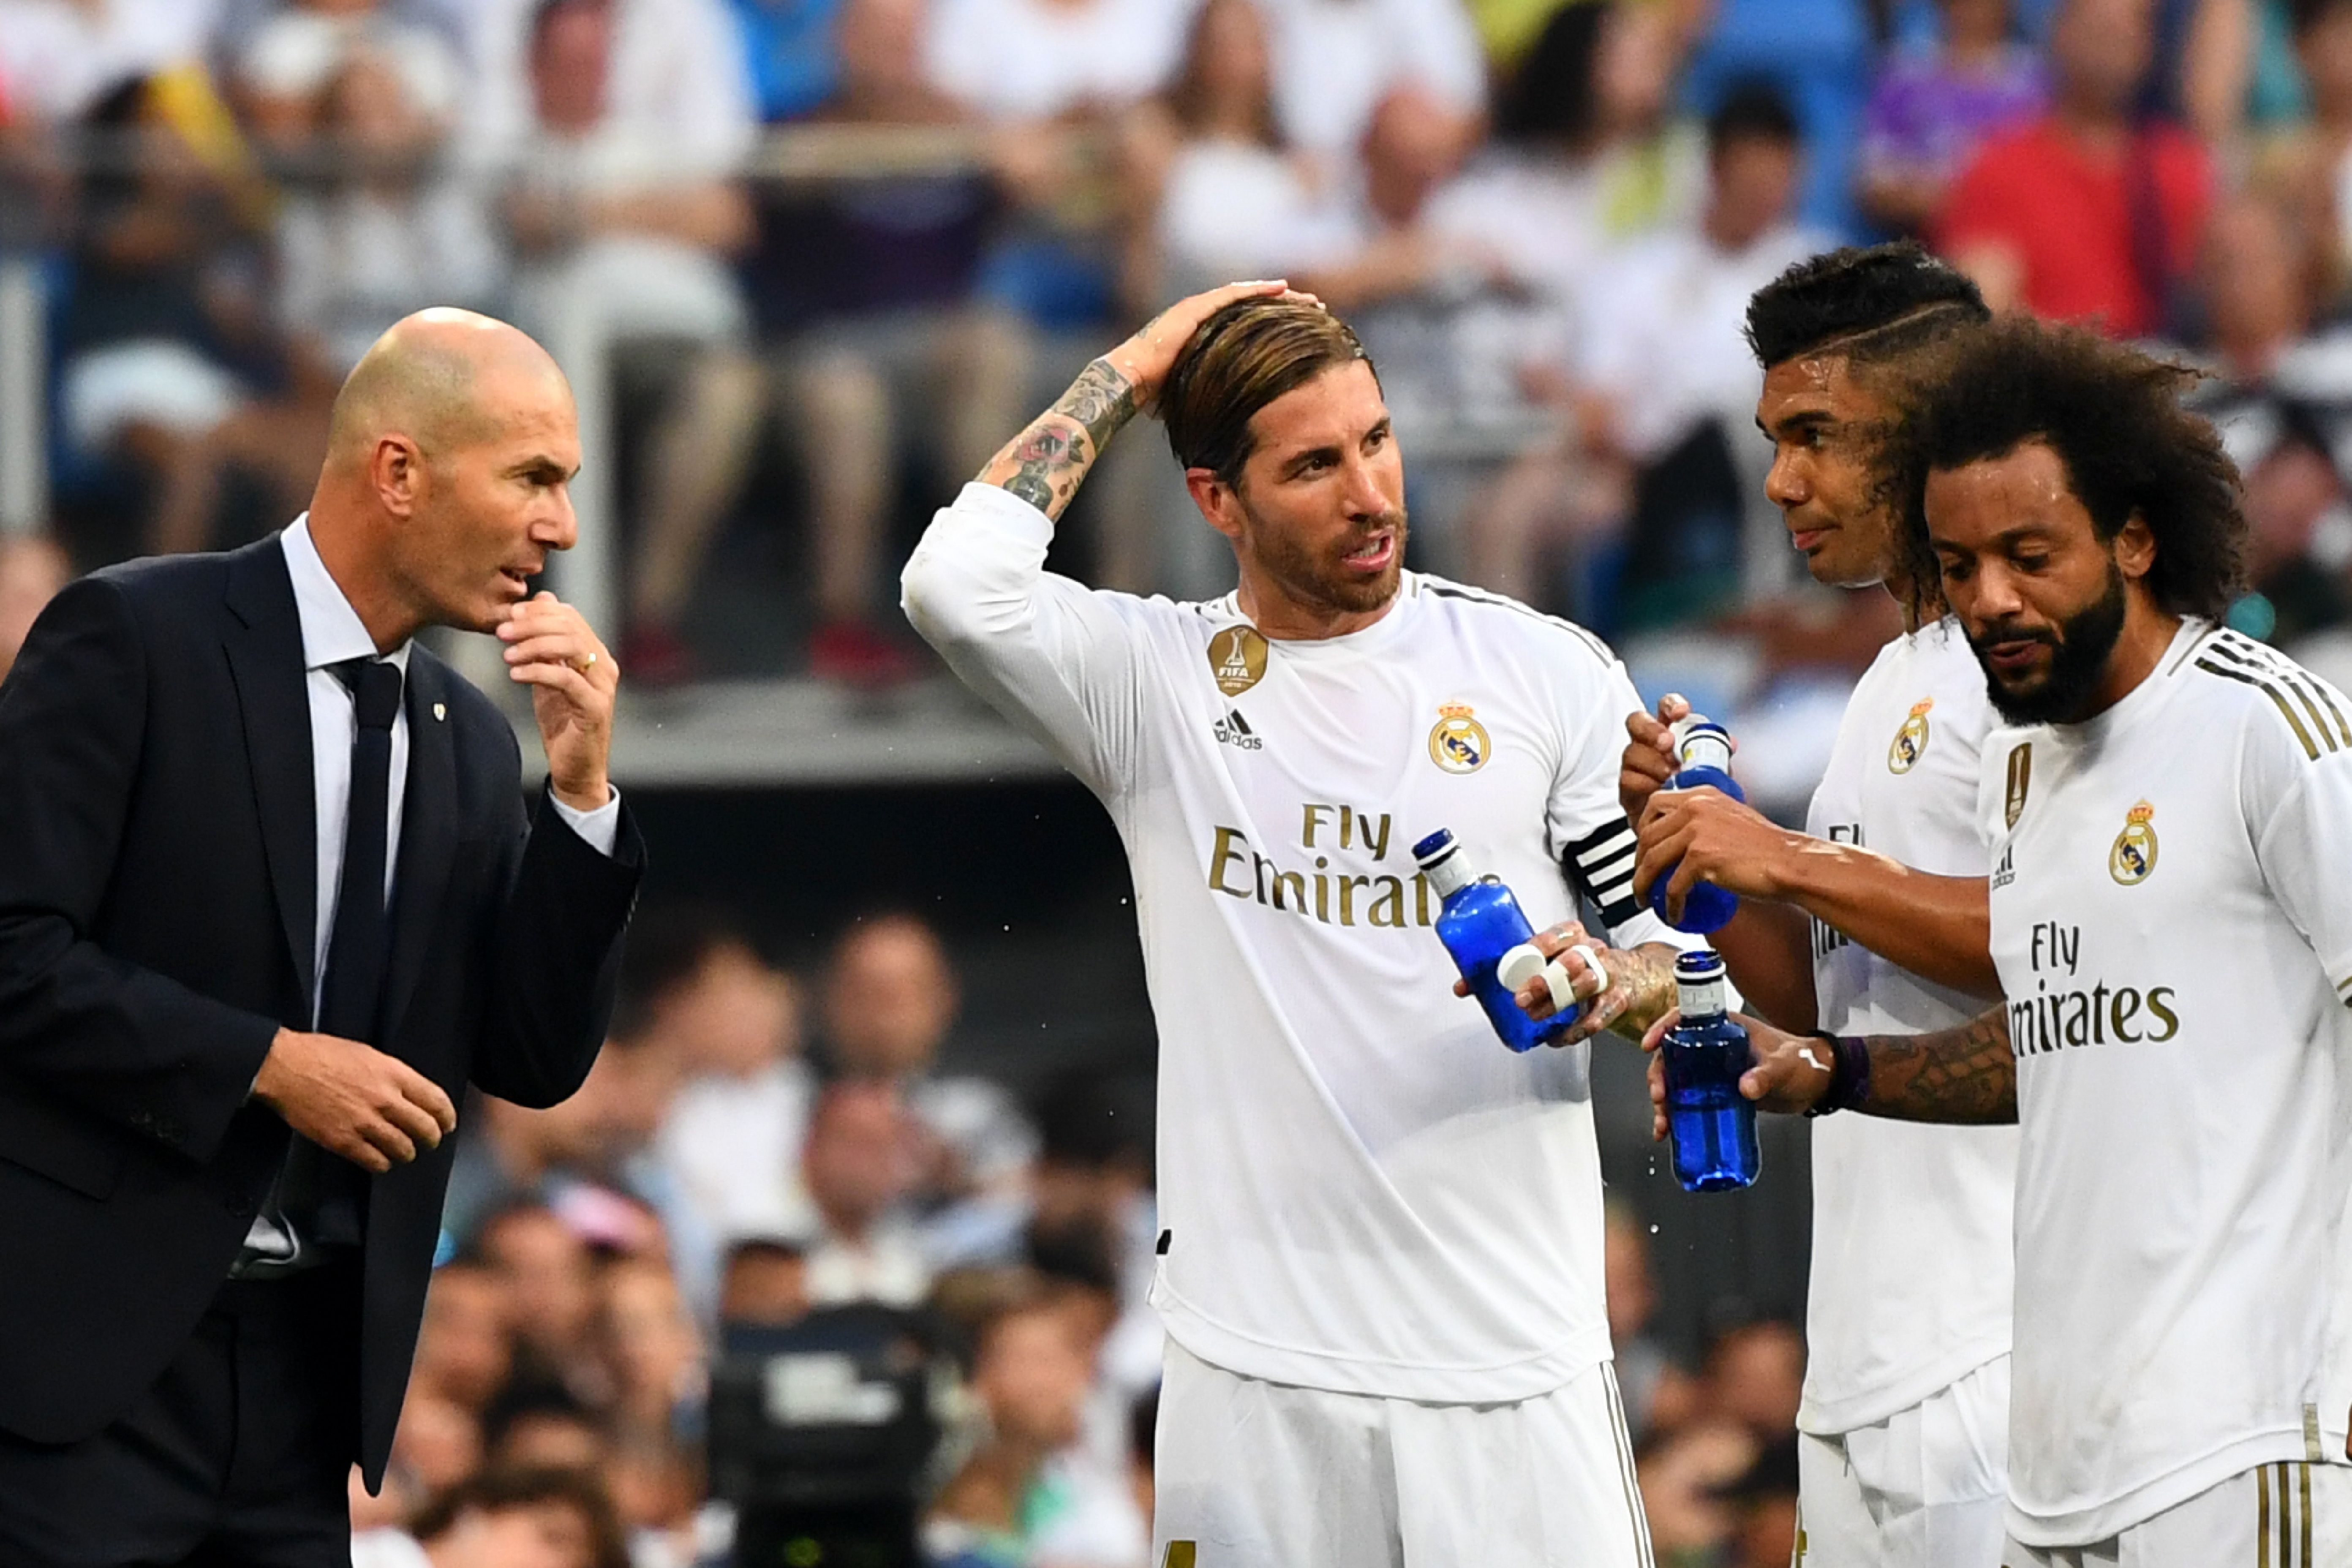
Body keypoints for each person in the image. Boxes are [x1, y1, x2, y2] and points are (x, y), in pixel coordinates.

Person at [902, 280, 1699, 1564]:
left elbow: (1686, 963)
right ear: (1215, 499)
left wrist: (1616, 980)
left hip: (1510, 1350)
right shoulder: (1148, 682)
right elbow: (952, 586)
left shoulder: (1542, 671)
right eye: (1314, 465)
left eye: (1375, 441)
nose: (1369, 492)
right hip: (1252, 1359)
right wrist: (1139, 363)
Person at [1679, 317, 2352, 1565]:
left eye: (2028, 555)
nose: (1989, 599)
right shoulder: (2022, 774)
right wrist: (1845, 1071)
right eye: (1960, 563)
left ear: (2134, 537)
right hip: (2055, 1463)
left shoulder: (2267, 732)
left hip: (2242, 1443)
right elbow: (2053, 1045)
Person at [0, 306, 644, 1562]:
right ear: (397, 471)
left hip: (303, 1392)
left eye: (564, 486)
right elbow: (13, 948)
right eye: (533, 477)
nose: (560, 526)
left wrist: (580, 797)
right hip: (79, 1380)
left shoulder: (467, 741)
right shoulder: (133, 636)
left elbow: (530, 1056)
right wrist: (263, 1062)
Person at [1607, 244, 2017, 1568]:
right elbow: (1824, 993)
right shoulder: (1894, 675)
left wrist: (1785, 857)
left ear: (1929, 427)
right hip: (1858, 1352)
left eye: (1815, 436)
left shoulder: (2029, 671)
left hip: (2006, 1344)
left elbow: (2072, 961)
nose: (1781, 479)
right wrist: (1697, 862)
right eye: (1772, 438)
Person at [1935, 0, 2211, 337]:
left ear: (2148, 47)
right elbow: (1980, 301)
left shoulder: (2177, 165)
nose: (2109, 46)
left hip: (2166, 365)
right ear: (2060, 35)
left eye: (2125, 32)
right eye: (2098, 28)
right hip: (2051, 371)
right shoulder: (2000, 167)